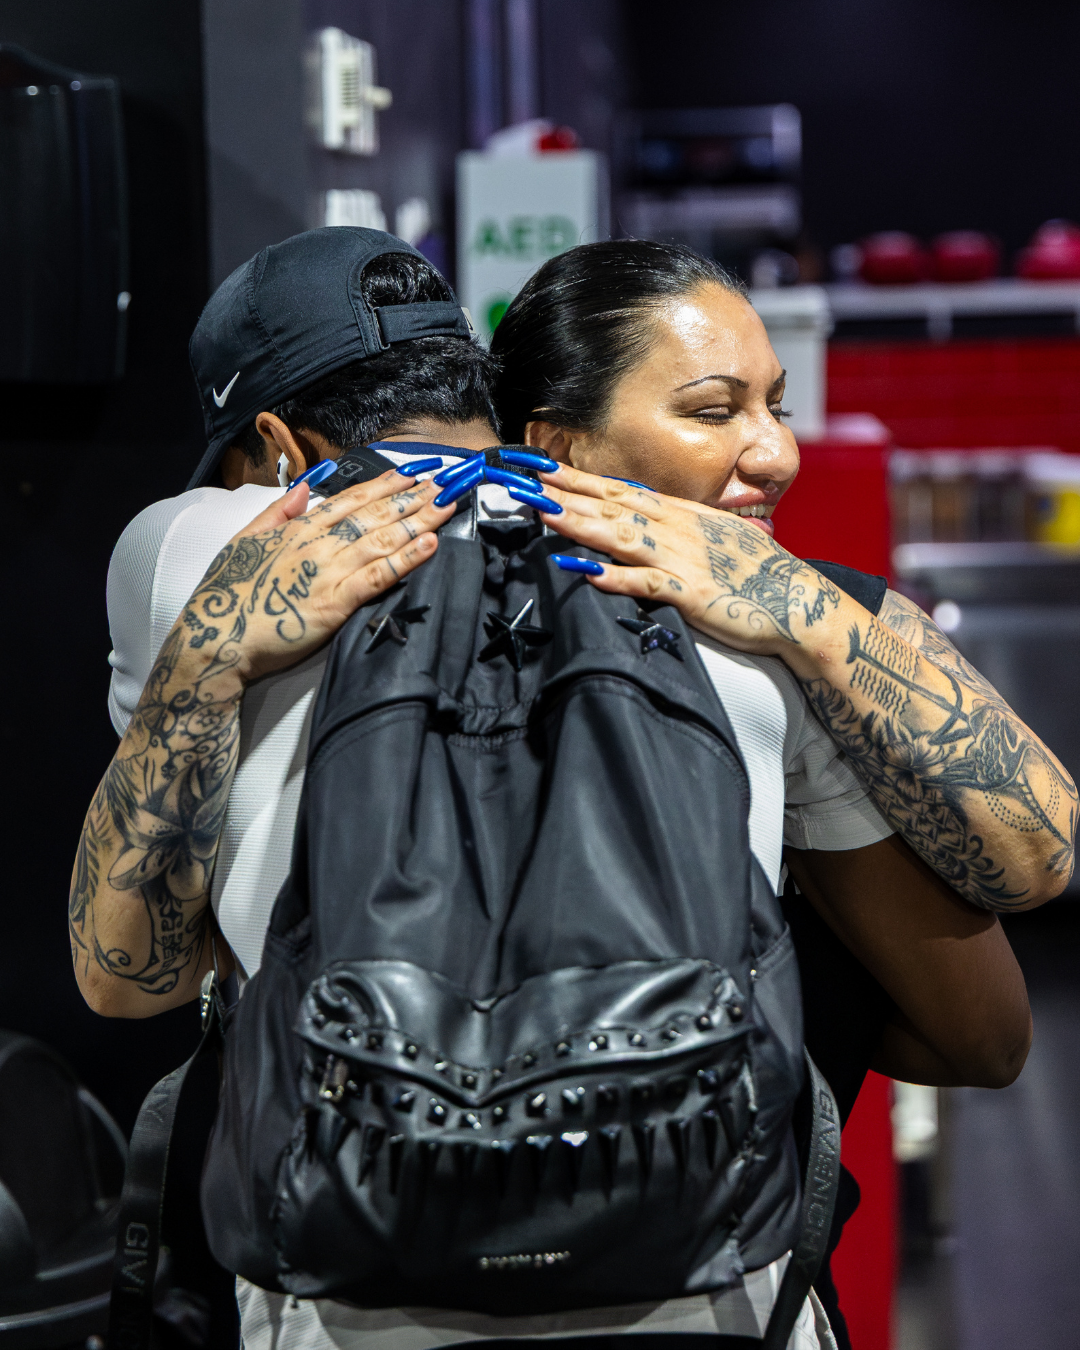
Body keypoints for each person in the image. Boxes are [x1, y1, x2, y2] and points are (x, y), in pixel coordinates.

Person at [70, 230, 1038, 1350]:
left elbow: (126, 981)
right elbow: (992, 1023)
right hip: (708, 1276)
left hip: (354, 1290)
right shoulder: (718, 572)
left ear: (276, 445)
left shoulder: (200, 548)